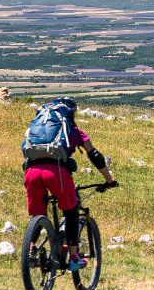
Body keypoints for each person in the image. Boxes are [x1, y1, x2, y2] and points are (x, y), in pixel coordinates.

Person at [23, 97, 116, 271]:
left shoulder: (37, 129)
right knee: (71, 211)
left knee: (37, 214)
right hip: (56, 173)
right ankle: (73, 258)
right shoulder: (74, 131)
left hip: (31, 173)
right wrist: (109, 180)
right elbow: (95, 156)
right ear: (71, 114)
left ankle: (30, 252)